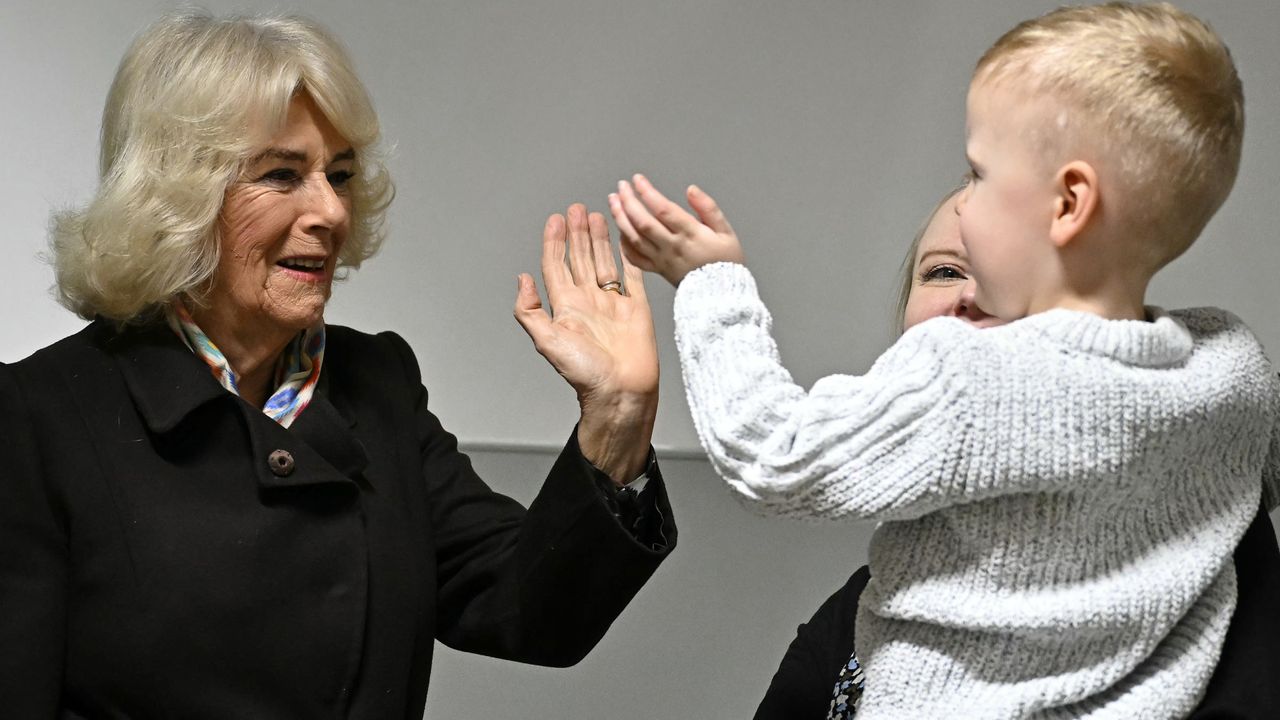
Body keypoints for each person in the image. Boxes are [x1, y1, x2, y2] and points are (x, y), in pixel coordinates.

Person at [610, 2, 1280, 716]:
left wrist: (711, 284)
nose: (963, 204)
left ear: (1069, 204)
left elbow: (773, 453)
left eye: (979, 174)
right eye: (938, 273)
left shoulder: (971, 384)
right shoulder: (1227, 369)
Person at [0, 11, 674, 718]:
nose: (330, 210)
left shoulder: (378, 384)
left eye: (341, 174)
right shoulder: (38, 417)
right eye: (282, 174)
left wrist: (616, 416)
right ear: (173, 196)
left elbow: (527, 609)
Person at [751, 190, 1280, 719]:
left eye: (1011, 270)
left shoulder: (1200, 549)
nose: (971, 294)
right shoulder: (861, 609)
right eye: (942, 273)